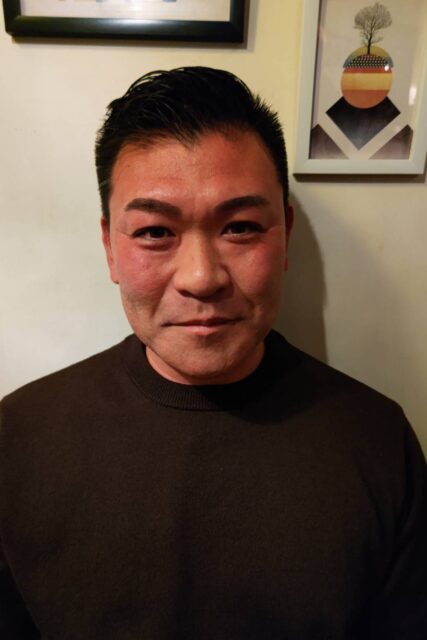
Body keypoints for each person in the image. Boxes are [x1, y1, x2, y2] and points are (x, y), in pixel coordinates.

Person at [0, 67, 426, 640]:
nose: (201, 278)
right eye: (155, 232)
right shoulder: (19, 436)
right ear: (109, 247)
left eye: (241, 227)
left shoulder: (378, 441)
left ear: (285, 235)